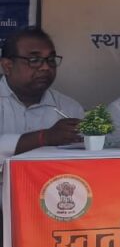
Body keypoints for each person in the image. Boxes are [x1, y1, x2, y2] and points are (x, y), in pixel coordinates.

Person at [0, 26, 83, 155]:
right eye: (34, 60)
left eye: (51, 59)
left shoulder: (69, 108)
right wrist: (44, 138)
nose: (45, 67)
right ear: (7, 66)